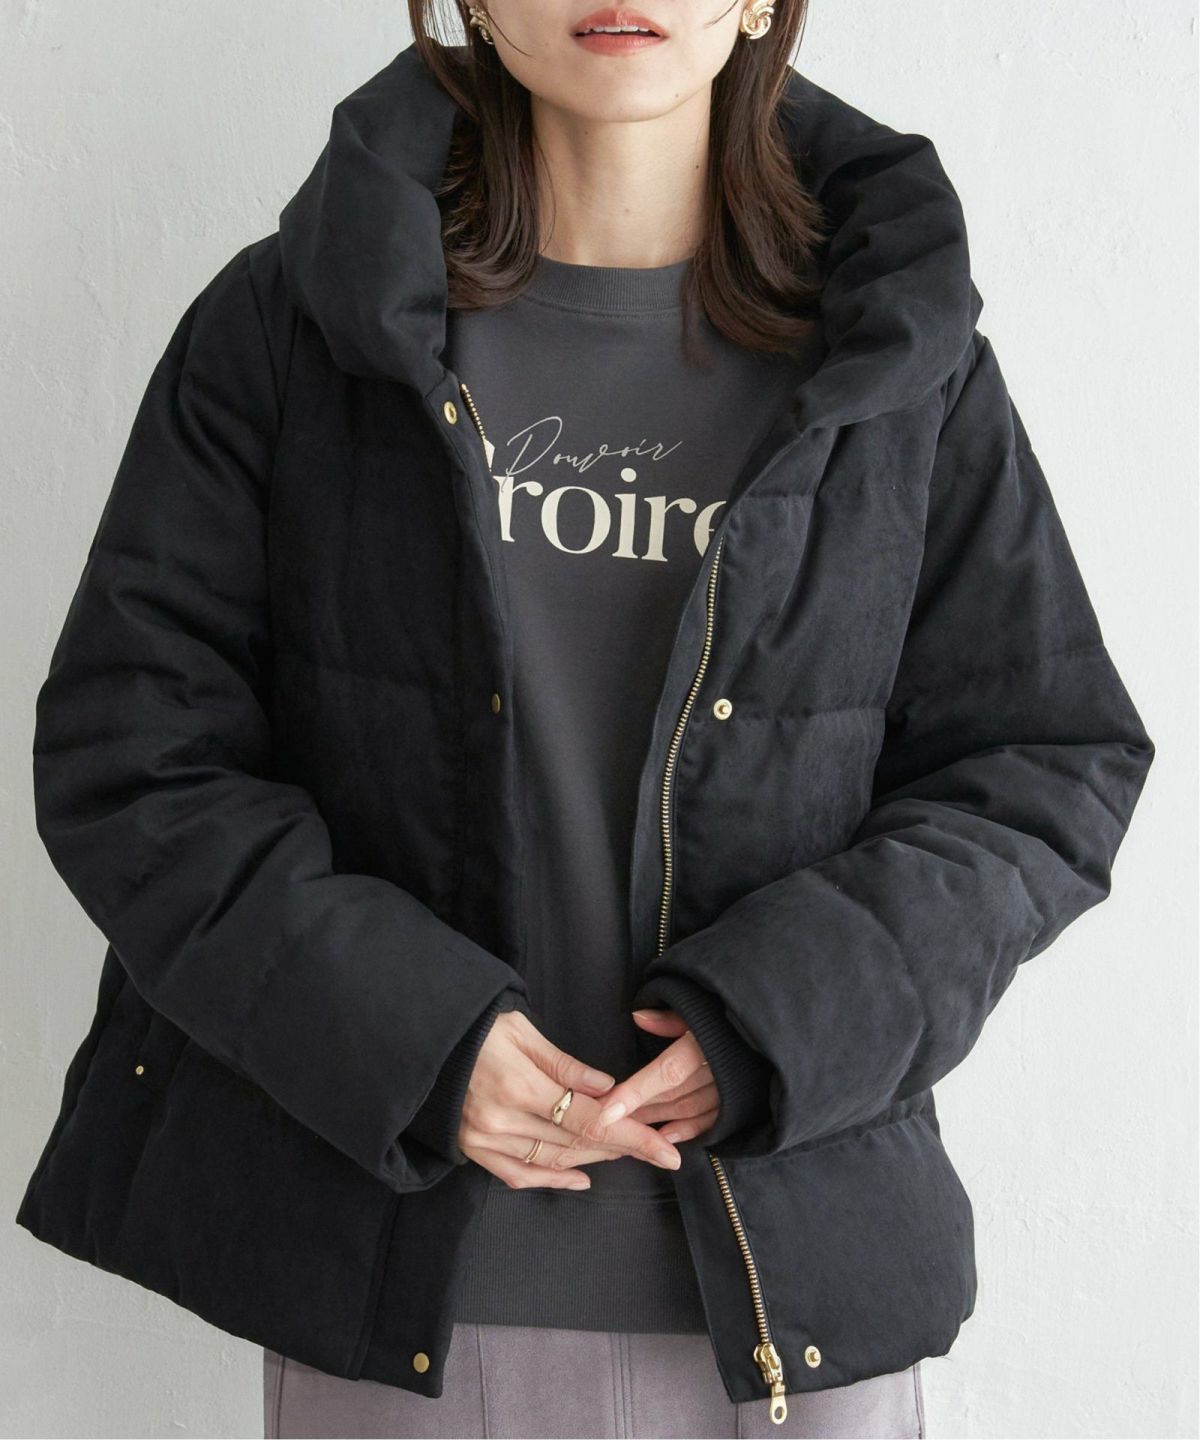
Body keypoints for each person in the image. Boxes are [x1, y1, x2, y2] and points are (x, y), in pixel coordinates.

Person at [14, 5, 1154, 1439]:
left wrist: (778, 1024)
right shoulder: (291, 327)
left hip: (796, 1299)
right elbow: (135, 756)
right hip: (400, 1289)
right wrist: (411, 1039)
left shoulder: (899, 355)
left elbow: (1043, 765)